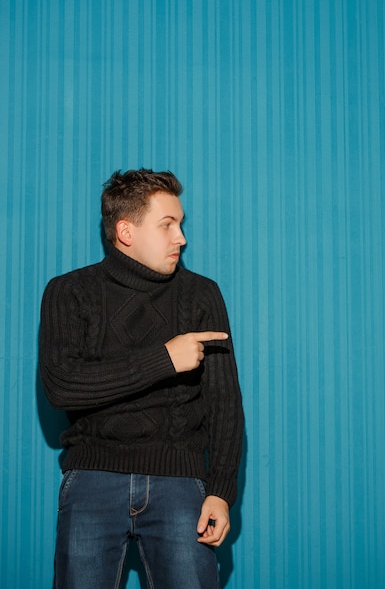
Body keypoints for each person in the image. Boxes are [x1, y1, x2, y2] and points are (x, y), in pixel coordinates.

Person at [39, 169, 244, 589]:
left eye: (181, 223)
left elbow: (225, 402)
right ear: (126, 231)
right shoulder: (68, 292)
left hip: (181, 486)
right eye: (167, 224)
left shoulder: (201, 295)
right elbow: (61, 385)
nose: (181, 237)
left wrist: (221, 492)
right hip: (92, 482)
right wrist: (164, 359)